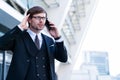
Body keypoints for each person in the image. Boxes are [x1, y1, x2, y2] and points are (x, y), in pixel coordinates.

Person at [0, 6, 68, 80]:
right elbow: (1, 44)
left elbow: (63, 58)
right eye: (38, 17)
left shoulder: (49, 41)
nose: (41, 21)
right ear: (29, 19)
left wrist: (57, 38)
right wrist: (20, 27)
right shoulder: (19, 37)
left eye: (44, 18)